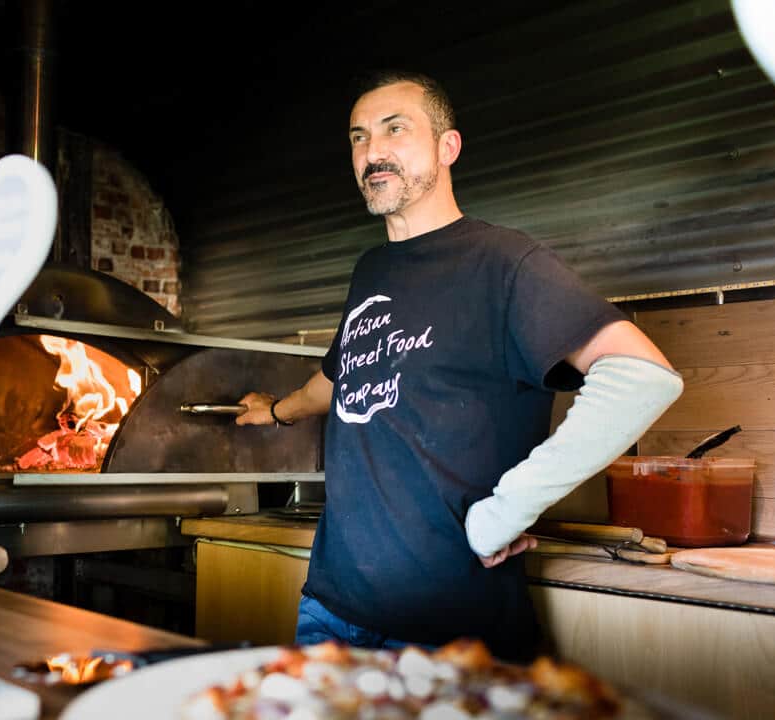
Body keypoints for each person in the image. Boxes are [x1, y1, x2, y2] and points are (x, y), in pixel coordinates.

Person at [235, 70, 683, 662]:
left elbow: (641, 376)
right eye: (359, 137)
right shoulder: (372, 269)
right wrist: (275, 412)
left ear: (448, 148)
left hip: (449, 633)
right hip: (331, 610)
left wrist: (509, 509)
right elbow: (343, 376)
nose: (374, 152)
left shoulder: (505, 262)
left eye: (396, 130)